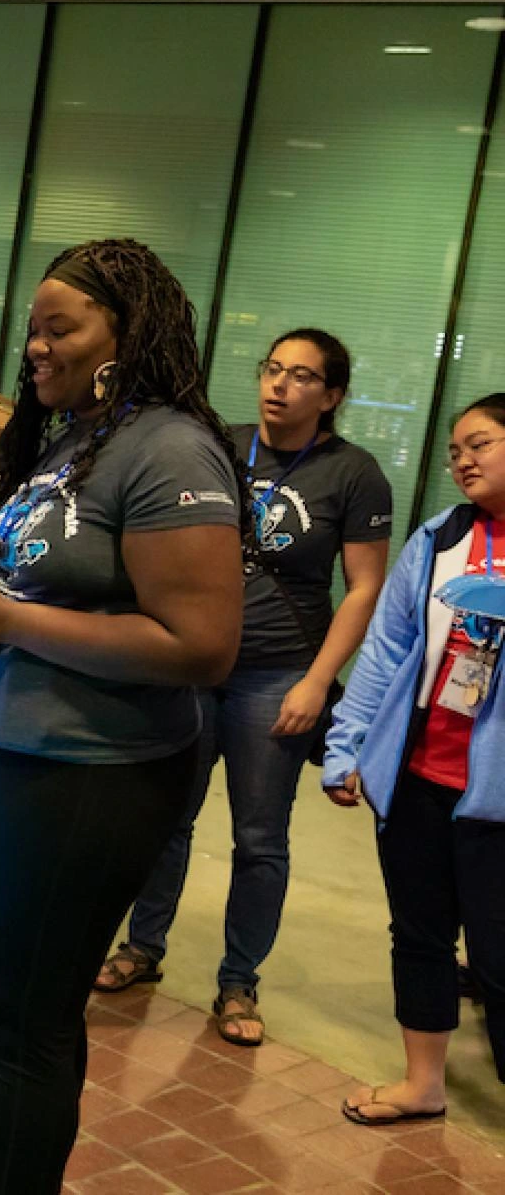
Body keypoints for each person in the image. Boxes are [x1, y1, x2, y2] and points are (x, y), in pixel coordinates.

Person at [0, 239, 244, 1193]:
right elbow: (61, 585)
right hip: (6, 752)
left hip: (89, 774)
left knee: (29, 1027)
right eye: (35, 329)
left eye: (62, 328)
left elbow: (202, 645)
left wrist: (7, 616)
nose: (37, 348)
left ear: (124, 335)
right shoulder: (75, 433)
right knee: (11, 1013)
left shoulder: (171, 447)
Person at [98, 328, 392, 1046]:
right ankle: (143, 946)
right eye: (272, 368)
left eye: (300, 375)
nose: (279, 384)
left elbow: (363, 589)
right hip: (193, 665)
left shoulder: (352, 473)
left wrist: (319, 684)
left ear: (332, 395)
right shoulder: (217, 446)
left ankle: (238, 981)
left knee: (259, 838)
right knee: (167, 814)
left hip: (277, 675)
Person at [321, 393, 505, 1126]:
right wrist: (347, 744)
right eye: (455, 448)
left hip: (496, 801)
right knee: (420, 934)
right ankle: (424, 1082)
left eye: (480, 443)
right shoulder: (439, 537)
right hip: (420, 779)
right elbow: (389, 648)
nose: (461, 459)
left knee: (498, 961)